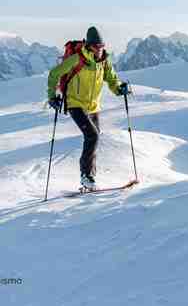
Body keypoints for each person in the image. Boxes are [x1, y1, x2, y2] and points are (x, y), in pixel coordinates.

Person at [47, 26, 130, 190]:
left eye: (102, 46)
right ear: (89, 46)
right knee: (92, 136)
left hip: (93, 106)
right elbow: (54, 74)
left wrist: (119, 88)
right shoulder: (77, 59)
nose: (100, 50)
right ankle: (86, 176)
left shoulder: (104, 62)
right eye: (97, 46)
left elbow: (112, 80)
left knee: (94, 137)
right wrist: (51, 96)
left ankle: (89, 180)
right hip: (75, 103)